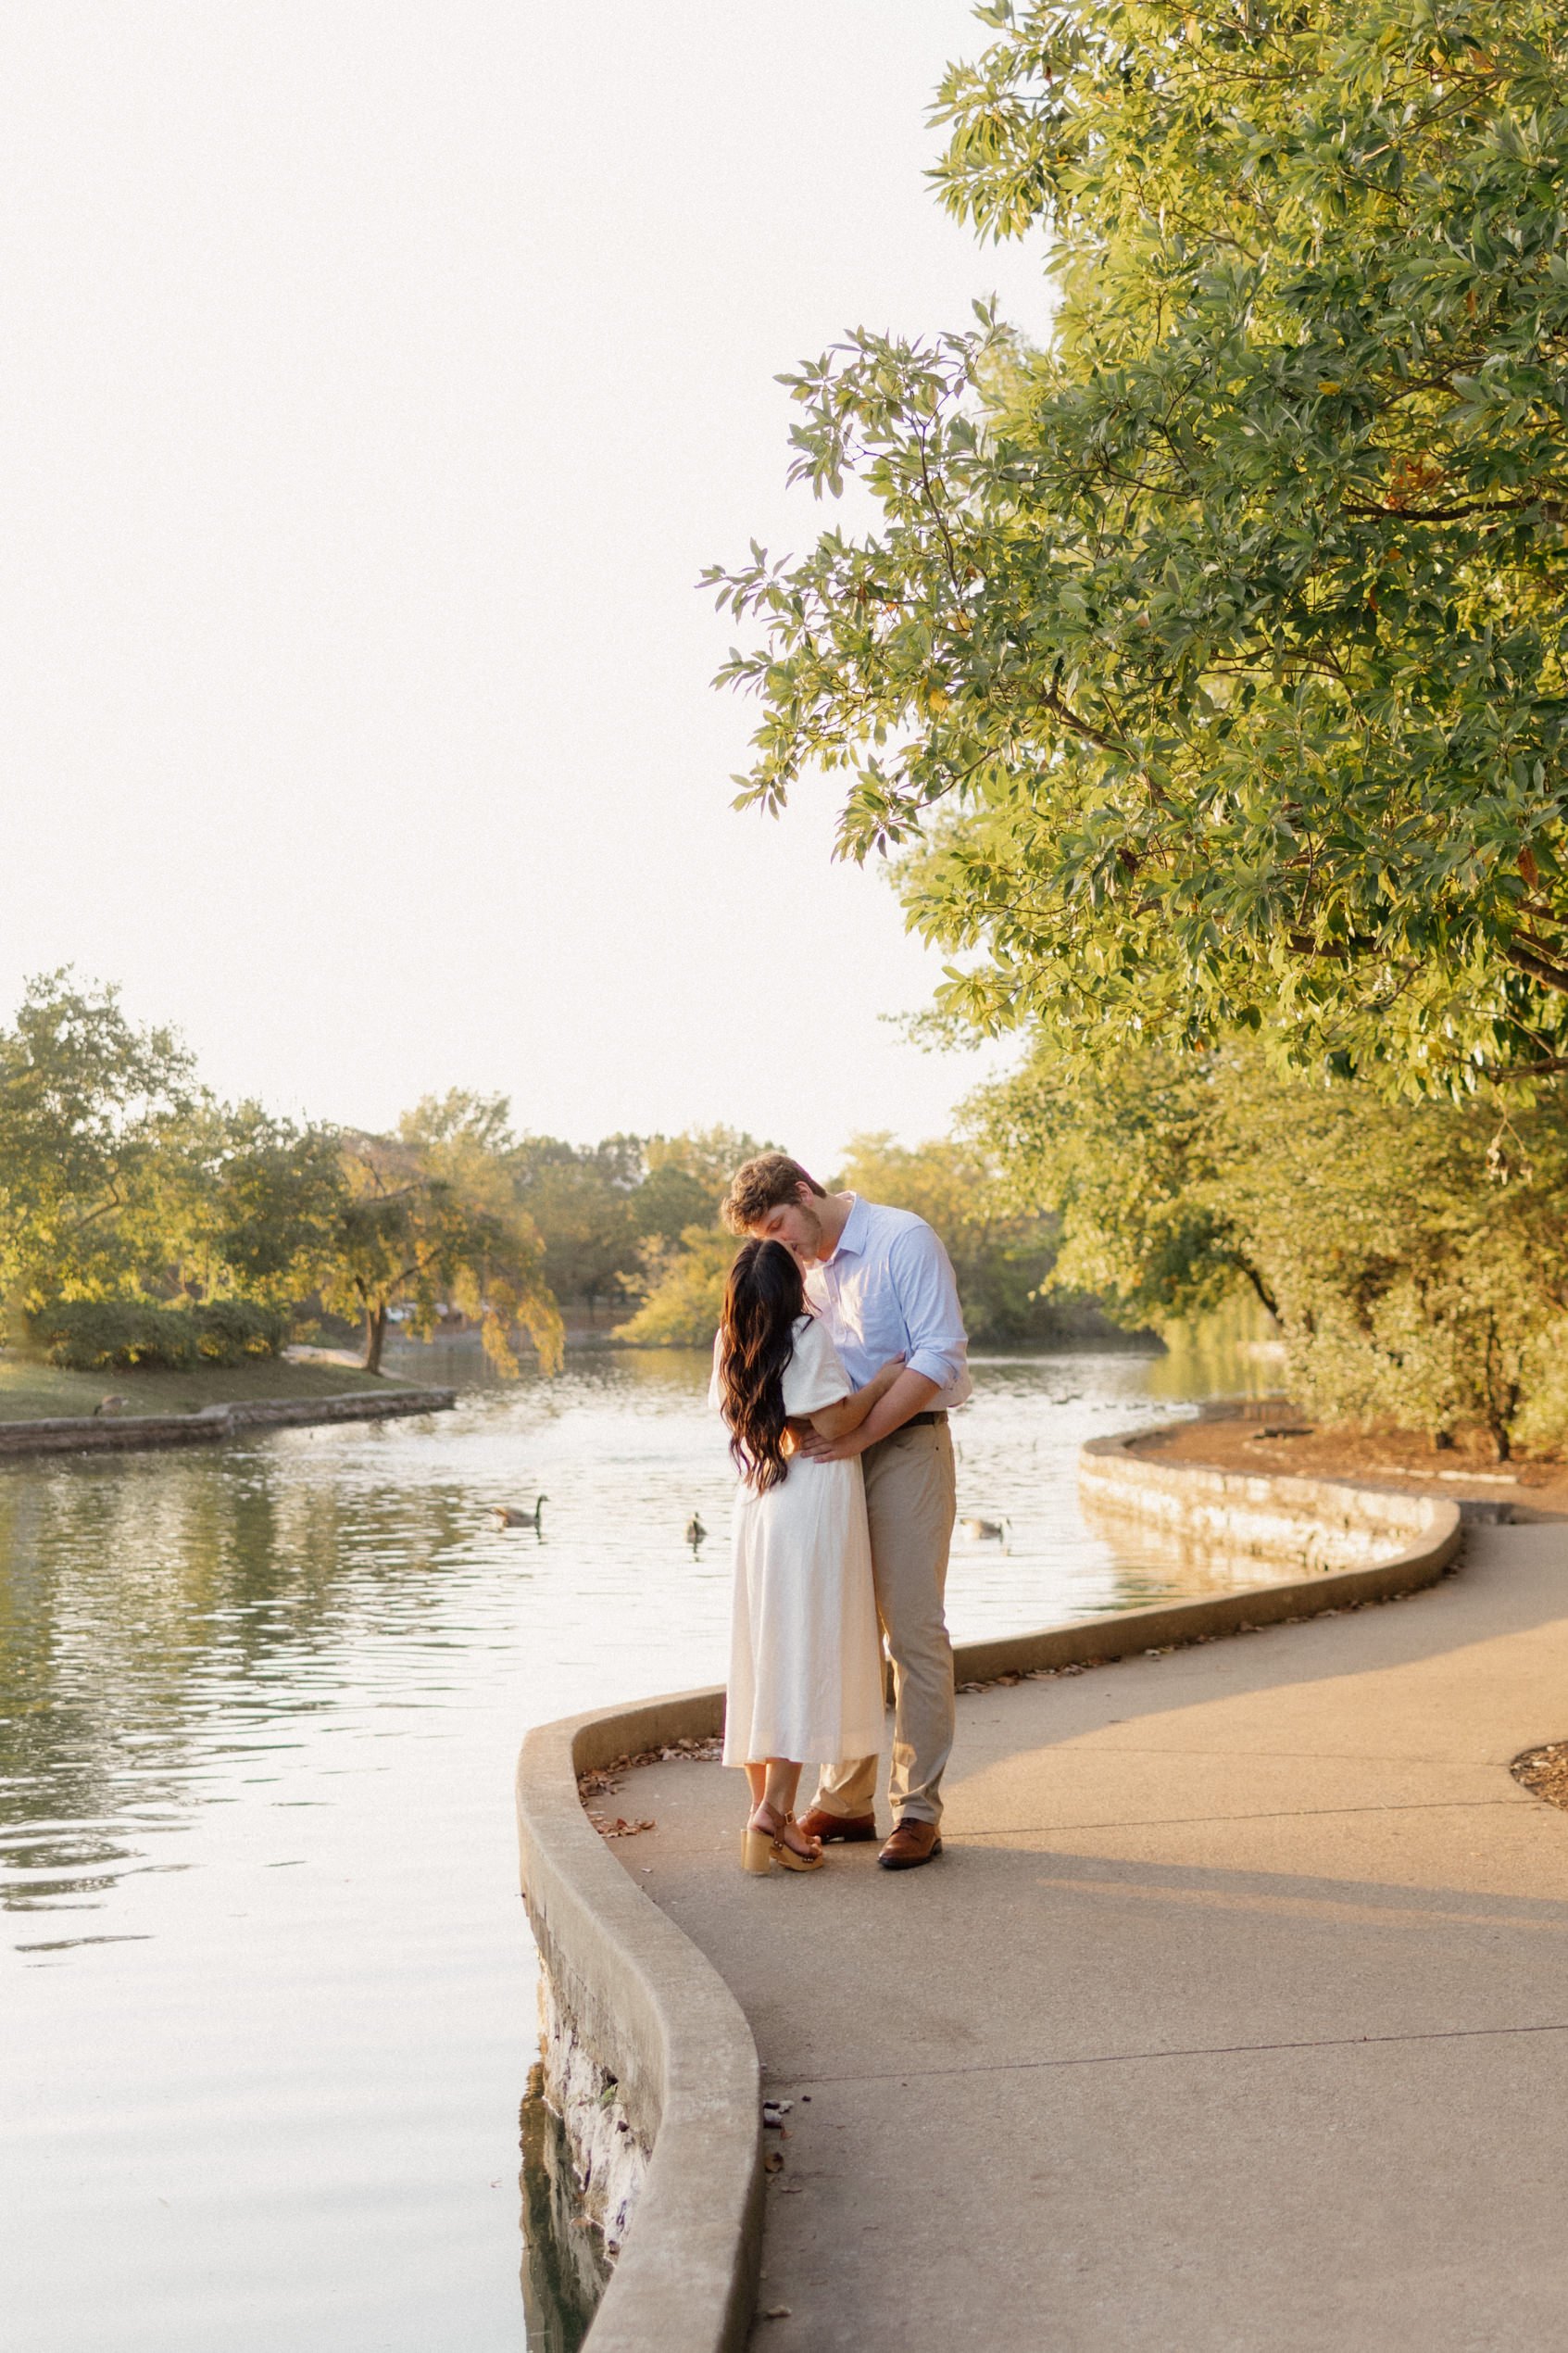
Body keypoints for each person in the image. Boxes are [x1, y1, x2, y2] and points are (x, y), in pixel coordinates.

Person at [721, 1154, 969, 1870]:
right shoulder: (794, 1272)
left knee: (912, 1629)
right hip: (823, 1465)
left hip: (903, 1447)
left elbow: (939, 1356)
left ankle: (917, 1810)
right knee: (837, 1626)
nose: (781, 1245)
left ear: (805, 1193)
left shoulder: (902, 1240)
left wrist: (859, 1433)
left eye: (779, 1226)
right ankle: (848, 1799)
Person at [710, 1239, 903, 1875]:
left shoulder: (728, 1344)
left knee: (764, 1655)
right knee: (801, 1655)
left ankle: (773, 1819)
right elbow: (838, 1421)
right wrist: (883, 1380)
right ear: (791, 1287)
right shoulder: (803, 1332)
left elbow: (768, 1420)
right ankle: (773, 1812)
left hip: (759, 1503)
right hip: (812, 1499)